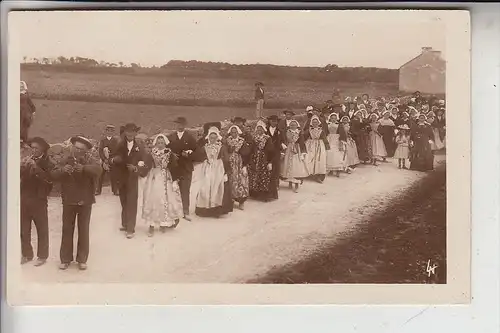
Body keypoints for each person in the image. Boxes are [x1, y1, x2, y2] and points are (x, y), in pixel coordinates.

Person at [51, 135, 102, 270]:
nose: (78, 151)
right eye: (76, 148)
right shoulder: (65, 159)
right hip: (69, 199)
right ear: (72, 147)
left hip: (85, 200)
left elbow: (99, 170)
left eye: (81, 150)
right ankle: (65, 259)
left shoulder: (90, 159)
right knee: (67, 229)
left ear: (86, 151)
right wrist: (63, 170)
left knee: (83, 230)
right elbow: (53, 174)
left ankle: (82, 259)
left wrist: (84, 168)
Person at [110, 123, 150, 239]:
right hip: (121, 178)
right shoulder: (119, 145)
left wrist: (136, 169)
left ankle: (130, 229)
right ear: (125, 132)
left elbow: (146, 164)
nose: (130, 134)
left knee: (132, 202)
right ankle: (125, 223)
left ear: (136, 133)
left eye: (132, 131)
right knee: (124, 202)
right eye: (128, 131)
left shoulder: (140, 147)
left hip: (133, 179)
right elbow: (112, 158)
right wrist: (114, 160)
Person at [20, 137, 54, 266]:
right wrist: (22, 167)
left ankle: (42, 256)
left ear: (43, 150)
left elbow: (49, 181)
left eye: (36, 148)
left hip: (39, 199)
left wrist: (36, 168)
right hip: (24, 198)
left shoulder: (48, 163)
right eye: (32, 148)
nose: (33, 150)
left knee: (42, 228)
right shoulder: (28, 161)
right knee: (23, 229)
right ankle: (27, 254)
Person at [141, 134, 183, 236]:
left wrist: (175, 179)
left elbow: (174, 165)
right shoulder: (152, 153)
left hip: (165, 176)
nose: (160, 145)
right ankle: (151, 225)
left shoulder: (169, 153)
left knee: (166, 199)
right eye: (158, 143)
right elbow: (147, 164)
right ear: (156, 143)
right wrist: (142, 169)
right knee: (153, 198)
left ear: (165, 143)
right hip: (154, 177)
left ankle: (164, 223)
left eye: (162, 143)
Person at [195, 124, 232, 217]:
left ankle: (216, 210)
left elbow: (226, 159)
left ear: (217, 138)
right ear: (208, 138)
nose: (212, 140)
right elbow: (199, 156)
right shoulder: (205, 147)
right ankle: (205, 209)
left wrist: (226, 172)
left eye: (214, 138)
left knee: (217, 188)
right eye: (211, 138)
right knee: (205, 187)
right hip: (208, 168)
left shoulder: (221, 147)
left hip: (218, 168)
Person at [167, 117, 198, 221]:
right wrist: (172, 155)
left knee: (185, 190)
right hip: (174, 167)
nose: (180, 126)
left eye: (182, 124)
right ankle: (173, 211)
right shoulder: (170, 137)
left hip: (186, 167)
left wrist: (188, 155)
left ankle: (186, 211)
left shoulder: (190, 137)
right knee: (172, 190)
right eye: (178, 124)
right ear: (175, 125)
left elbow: (196, 152)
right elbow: (165, 150)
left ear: (185, 125)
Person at [248, 120, 275, 201]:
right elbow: (251, 149)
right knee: (254, 175)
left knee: (264, 176)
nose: (259, 131)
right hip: (255, 159)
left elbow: (271, 150)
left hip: (264, 159)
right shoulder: (254, 138)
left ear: (264, 130)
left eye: (261, 129)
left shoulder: (267, 138)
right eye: (258, 129)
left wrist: (269, 161)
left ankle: (264, 195)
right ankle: (255, 193)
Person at [225, 124, 251, 210]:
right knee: (230, 181)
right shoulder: (227, 141)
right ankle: (231, 199)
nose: (234, 134)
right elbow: (224, 151)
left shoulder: (242, 141)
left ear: (238, 132)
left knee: (241, 181)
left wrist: (244, 165)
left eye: (235, 132)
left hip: (239, 163)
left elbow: (247, 153)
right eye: (232, 132)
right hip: (230, 163)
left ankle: (241, 201)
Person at [281, 119, 308, 193]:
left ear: (297, 126)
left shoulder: (299, 133)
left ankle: (296, 185)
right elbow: (284, 141)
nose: (293, 126)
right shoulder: (286, 132)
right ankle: (290, 182)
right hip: (288, 149)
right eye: (291, 125)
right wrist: (283, 150)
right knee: (288, 165)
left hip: (297, 149)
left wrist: (302, 152)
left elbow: (302, 142)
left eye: (294, 125)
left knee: (296, 166)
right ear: (289, 126)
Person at [303, 115, 330, 183]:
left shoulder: (321, 131)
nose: (315, 124)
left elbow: (324, 139)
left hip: (319, 145)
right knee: (309, 158)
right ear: (312, 123)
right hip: (310, 145)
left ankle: (319, 175)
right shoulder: (309, 130)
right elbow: (304, 137)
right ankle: (310, 173)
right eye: (313, 122)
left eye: (316, 122)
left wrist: (327, 146)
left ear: (318, 123)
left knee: (319, 159)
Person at [96, 125, 120, 195]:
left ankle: (115, 190)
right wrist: (104, 159)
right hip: (104, 160)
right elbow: (100, 151)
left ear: (113, 132)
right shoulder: (103, 140)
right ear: (106, 131)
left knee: (114, 175)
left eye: (111, 131)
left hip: (111, 160)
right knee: (100, 175)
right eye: (108, 130)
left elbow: (116, 151)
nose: (109, 132)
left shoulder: (115, 140)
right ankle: (98, 190)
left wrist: (110, 159)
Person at [266, 115, 286, 200]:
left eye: (275, 121)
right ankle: (267, 186)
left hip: (277, 152)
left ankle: (276, 185)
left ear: (277, 122)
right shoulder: (265, 130)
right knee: (268, 168)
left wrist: (282, 152)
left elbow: (283, 141)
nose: (274, 122)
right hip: (267, 152)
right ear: (269, 121)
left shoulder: (280, 131)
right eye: (272, 120)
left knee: (276, 168)